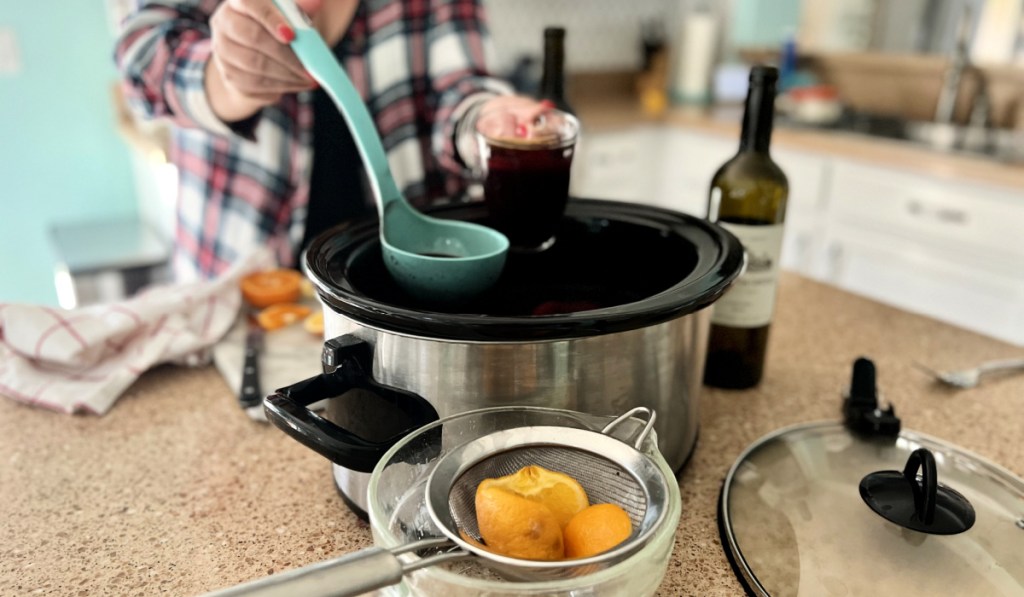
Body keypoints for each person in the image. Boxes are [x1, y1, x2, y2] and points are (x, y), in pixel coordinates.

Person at [115, 0, 549, 281]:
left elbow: (463, 87)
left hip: (399, 299)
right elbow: (142, 56)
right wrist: (227, 81)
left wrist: (485, 124)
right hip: (239, 293)